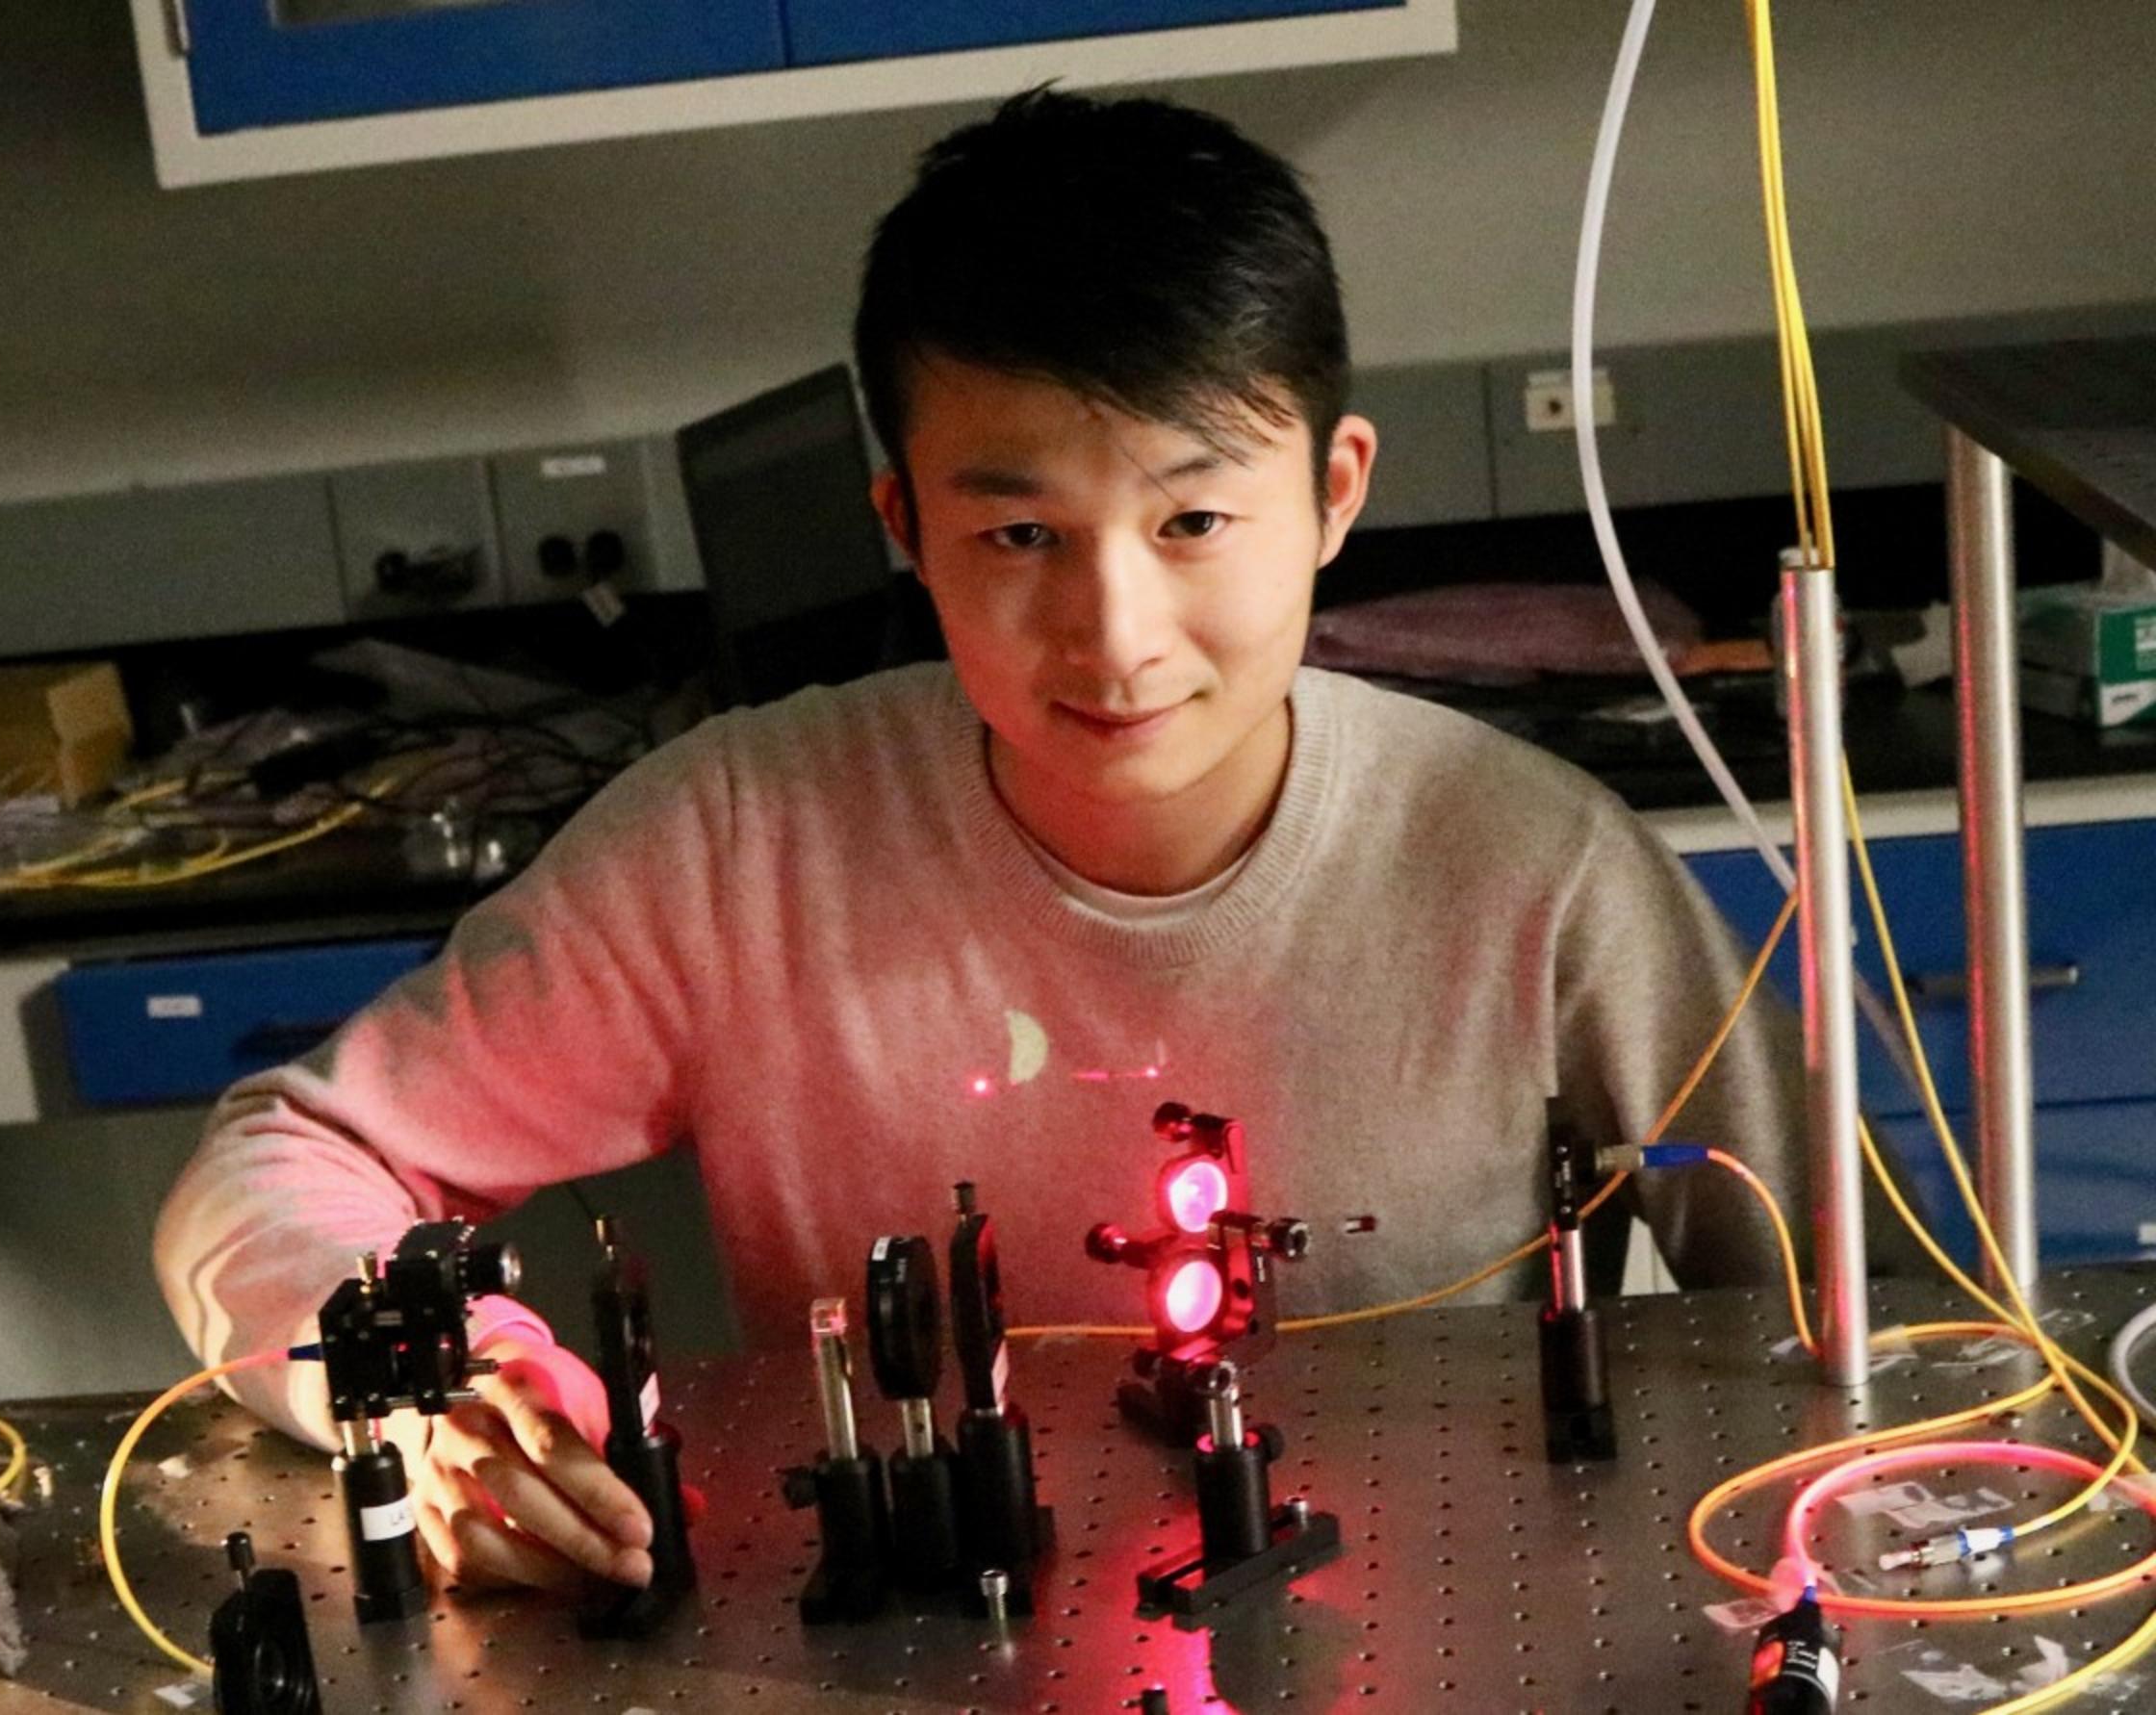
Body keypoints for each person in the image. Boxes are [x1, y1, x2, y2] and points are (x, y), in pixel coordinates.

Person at [156, 89, 1821, 1599]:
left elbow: (1861, 1330)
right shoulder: (742, 846)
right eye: (1020, 531)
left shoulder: (1545, 878)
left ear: (1333, 492)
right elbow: (271, 1163)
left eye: (1194, 519)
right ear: (906, 529)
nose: (1114, 633)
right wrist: (441, 1381)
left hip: (1452, 1626)